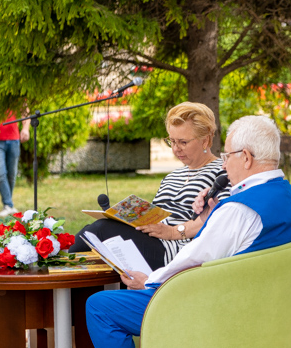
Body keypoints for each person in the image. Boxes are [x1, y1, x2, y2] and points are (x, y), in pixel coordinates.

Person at [82, 115, 291, 348]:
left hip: (218, 318)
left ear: (247, 157)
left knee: (101, 306)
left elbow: (193, 258)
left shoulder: (238, 210)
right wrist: (210, 218)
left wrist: (148, 281)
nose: (225, 164)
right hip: (269, 321)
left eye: (228, 156)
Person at [69, 102, 227, 270]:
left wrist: (173, 231)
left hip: (175, 250)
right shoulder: (172, 176)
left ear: (206, 140)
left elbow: (222, 218)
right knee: (92, 232)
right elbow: (157, 214)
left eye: (183, 142)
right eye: (171, 141)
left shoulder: (223, 172)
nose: (176, 149)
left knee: (101, 230)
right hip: (151, 239)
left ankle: (57, 265)